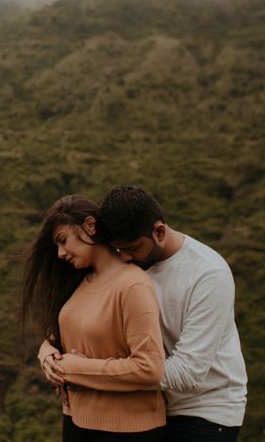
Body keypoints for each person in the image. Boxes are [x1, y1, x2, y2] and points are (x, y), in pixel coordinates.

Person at [95, 185, 248, 441]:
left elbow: (188, 372)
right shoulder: (134, 264)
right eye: (119, 250)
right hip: (155, 403)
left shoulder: (208, 274)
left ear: (159, 231)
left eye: (132, 248)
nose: (124, 258)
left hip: (208, 411)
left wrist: (101, 375)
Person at [19, 194, 167, 441]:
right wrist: (46, 356)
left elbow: (149, 368)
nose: (60, 253)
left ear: (89, 226)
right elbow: (60, 335)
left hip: (128, 429)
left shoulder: (132, 285)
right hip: (76, 420)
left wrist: (74, 369)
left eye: (63, 241)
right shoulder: (80, 282)